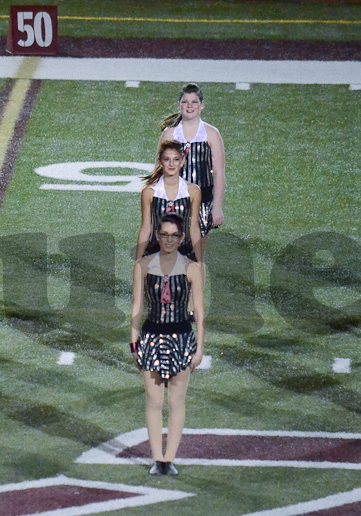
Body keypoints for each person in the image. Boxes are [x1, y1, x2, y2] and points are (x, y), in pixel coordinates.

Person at [130, 213, 205, 477]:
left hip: (182, 338)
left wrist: (200, 348)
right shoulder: (142, 266)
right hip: (151, 337)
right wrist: (133, 340)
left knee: (176, 400)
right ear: (157, 236)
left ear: (182, 237)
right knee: (153, 399)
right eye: (164, 235)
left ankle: (169, 460)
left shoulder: (192, 268)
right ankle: (156, 459)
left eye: (174, 235)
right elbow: (137, 307)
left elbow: (199, 311)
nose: (169, 240)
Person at [159, 83, 225, 257]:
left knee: (196, 258)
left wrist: (217, 207)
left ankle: (193, 285)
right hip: (173, 202)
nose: (190, 106)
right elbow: (159, 171)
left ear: (202, 105)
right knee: (171, 255)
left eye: (194, 102)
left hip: (203, 203)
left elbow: (218, 173)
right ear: (179, 105)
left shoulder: (211, 134)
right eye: (185, 102)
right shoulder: (170, 134)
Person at [137, 141, 202, 263]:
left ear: (182, 161)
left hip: (185, 255)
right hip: (154, 254)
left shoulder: (193, 191)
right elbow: (146, 228)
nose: (172, 164)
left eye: (176, 159)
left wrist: (199, 262)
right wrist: (138, 261)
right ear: (160, 162)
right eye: (167, 159)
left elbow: (194, 228)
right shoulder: (149, 192)